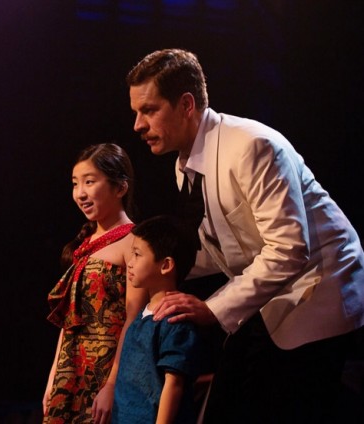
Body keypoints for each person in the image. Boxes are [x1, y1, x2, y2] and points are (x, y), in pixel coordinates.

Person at [126, 48, 364, 423]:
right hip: (270, 294)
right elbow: (220, 246)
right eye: (136, 112)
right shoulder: (184, 164)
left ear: (186, 104)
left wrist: (211, 308)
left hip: (318, 292)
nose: (137, 124)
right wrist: (152, 267)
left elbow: (289, 250)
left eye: (149, 110)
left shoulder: (251, 146)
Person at [43, 143, 150, 424]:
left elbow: (133, 318)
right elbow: (71, 321)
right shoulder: (84, 245)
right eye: (76, 183)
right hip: (72, 369)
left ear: (120, 188)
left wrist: (113, 383)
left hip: (106, 370)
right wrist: (54, 375)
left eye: (89, 182)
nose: (80, 193)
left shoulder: (135, 241)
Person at [112, 215, 202, 424]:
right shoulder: (143, 316)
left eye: (137, 254)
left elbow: (174, 385)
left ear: (165, 265)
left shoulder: (174, 322)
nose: (130, 263)